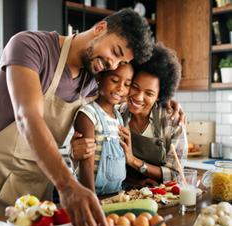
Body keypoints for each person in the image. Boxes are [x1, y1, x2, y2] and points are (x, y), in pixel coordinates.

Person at [0, 8, 153, 226]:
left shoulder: (91, 82)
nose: (113, 64)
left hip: (34, 193)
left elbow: (122, 101)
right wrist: (67, 185)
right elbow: (28, 116)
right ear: (100, 28)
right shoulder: (30, 46)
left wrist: (168, 105)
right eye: (115, 51)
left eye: (121, 60)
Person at [70, 42, 188, 190]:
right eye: (134, 87)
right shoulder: (116, 113)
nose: (138, 97)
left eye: (149, 93)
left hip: (162, 195)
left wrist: (133, 161)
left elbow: (175, 173)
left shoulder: (172, 120)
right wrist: (74, 152)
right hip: (123, 193)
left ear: (160, 96)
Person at [73, 63, 134, 195]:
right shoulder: (88, 114)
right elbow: (86, 164)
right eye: (114, 80)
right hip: (91, 194)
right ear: (99, 77)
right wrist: (91, 197)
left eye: (126, 84)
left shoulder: (118, 117)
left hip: (115, 194)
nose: (120, 88)